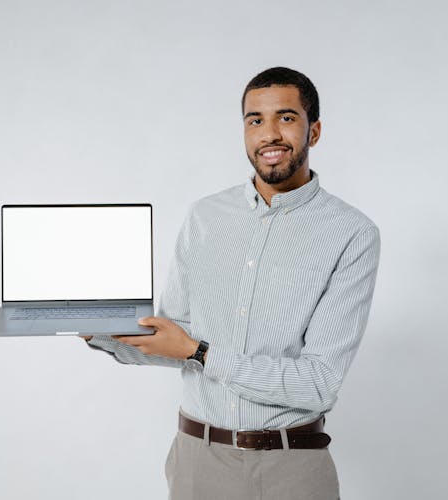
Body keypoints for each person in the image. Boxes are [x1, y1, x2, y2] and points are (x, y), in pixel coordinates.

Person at [84, 66, 381, 500]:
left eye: (287, 117)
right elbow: (175, 345)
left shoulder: (352, 233)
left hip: (292, 468)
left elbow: (318, 382)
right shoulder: (204, 217)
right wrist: (97, 326)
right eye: (255, 120)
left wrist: (199, 352)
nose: (270, 134)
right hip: (197, 464)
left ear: (313, 131)